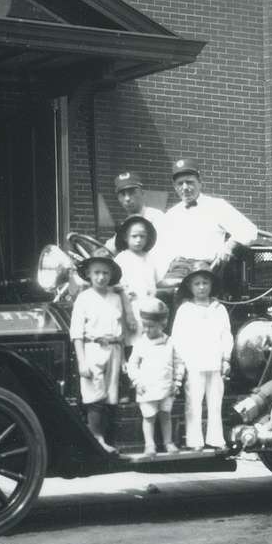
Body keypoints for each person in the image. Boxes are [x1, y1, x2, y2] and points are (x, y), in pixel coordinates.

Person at [70, 252, 130, 454]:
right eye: (96, 272)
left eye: (105, 273)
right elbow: (76, 333)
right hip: (93, 348)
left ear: (111, 275)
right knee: (94, 394)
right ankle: (96, 438)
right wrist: (82, 362)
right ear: (88, 274)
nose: (101, 277)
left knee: (110, 394)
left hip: (114, 349)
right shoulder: (83, 298)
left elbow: (120, 329)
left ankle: (108, 439)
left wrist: (122, 358)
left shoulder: (115, 298)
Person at [161, 158, 259, 282]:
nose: (185, 187)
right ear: (175, 187)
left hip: (206, 269)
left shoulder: (217, 206)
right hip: (177, 270)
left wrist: (228, 247)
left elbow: (249, 230)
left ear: (200, 182)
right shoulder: (171, 214)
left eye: (189, 182)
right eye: (180, 183)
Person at [170, 262, 234, 451]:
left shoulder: (219, 309)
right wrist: (180, 363)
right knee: (193, 403)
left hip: (215, 363)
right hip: (194, 364)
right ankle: (194, 440)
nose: (201, 287)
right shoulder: (185, 310)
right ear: (190, 287)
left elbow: (226, 335)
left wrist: (226, 359)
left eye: (205, 283)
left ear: (211, 285)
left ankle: (215, 439)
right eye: (197, 283)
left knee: (215, 402)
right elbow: (178, 338)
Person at [125, 297, 183, 457]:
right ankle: (149, 445)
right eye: (144, 326)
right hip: (147, 388)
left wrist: (177, 381)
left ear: (162, 325)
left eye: (151, 326)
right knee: (149, 417)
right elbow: (132, 364)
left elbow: (178, 363)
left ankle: (168, 442)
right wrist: (137, 381)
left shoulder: (170, 342)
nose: (147, 329)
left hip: (166, 387)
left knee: (165, 415)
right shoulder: (141, 343)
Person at [113, 215, 163, 348]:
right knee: (133, 344)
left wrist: (180, 281)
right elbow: (119, 288)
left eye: (142, 236)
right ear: (125, 237)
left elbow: (158, 282)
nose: (138, 240)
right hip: (131, 309)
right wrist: (129, 315)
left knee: (149, 344)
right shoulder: (122, 258)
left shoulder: (150, 258)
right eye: (134, 236)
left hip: (149, 309)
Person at [106, 171, 167, 260]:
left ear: (142, 193)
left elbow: (161, 248)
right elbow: (112, 246)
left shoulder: (156, 216)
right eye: (123, 194)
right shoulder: (126, 224)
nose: (127, 198)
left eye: (131, 192)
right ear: (119, 198)